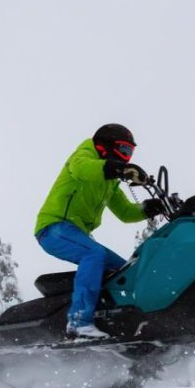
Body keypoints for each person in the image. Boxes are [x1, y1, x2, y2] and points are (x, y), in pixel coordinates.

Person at [34, 124, 165, 339]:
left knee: (126, 270)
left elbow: (124, 212)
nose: (127, 158)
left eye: (130, 153)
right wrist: (119, 169)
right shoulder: (84, 155)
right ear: (106, 146)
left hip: (77, 233)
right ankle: (78, 322)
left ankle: (117, 321)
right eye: (124, 150)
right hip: (53, 227)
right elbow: (83, 169)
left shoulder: (109, 181)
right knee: (93, 254)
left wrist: (149, 208)